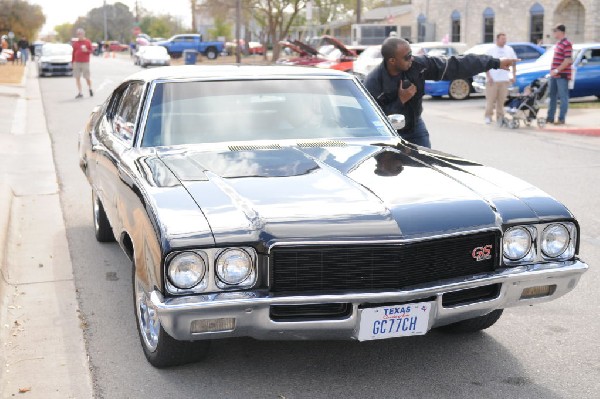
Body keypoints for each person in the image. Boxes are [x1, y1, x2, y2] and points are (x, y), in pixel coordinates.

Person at [364, 37, 517, 148]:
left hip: (415, 126)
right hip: (387, 134)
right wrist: (400, 101)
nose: (412, 58)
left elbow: (455, 64)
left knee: (426, 169)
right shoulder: (374, 83)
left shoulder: (418, 65)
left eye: (411, 53)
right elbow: (372, 119)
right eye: (407, 56)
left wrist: (495, 63)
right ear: (392, 61)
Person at [484, 33, 516, 125]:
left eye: (505, 39)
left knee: (501, 101)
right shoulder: (491, 50)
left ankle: (500, 117)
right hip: (493, 80)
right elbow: (486, 64)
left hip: (504, 79)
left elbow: (513, 62)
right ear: (497, 40)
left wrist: (513, 75)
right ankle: (488, 116)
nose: (504, 41)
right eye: (502, 39)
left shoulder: (509, 50)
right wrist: (489, 76)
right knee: (491, 100)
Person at [547, 24, 573, 125]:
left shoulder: (567, 43)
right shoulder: (558, 44)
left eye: (555, 31)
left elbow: (567, 60)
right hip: (554, 75)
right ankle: (550, 118)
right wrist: (552, 71)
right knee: (552, 96)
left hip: (562, 75)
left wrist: (557, 70)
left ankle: (561, 118)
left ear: (560, 32)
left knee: (563, 97)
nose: (554, 33)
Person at [72, 28, 94, 99]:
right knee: (77, 78)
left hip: (85, 62)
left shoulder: (87, 42)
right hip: (76, 62)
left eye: (80, 34)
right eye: (78, 34)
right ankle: (80, 92)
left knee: (87, 77)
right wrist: (72, 62)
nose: (79, 35)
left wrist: (86, 50)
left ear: (83, 34)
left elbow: (91, 51)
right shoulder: (75, 43)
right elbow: (73, 53)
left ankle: (90, 88)